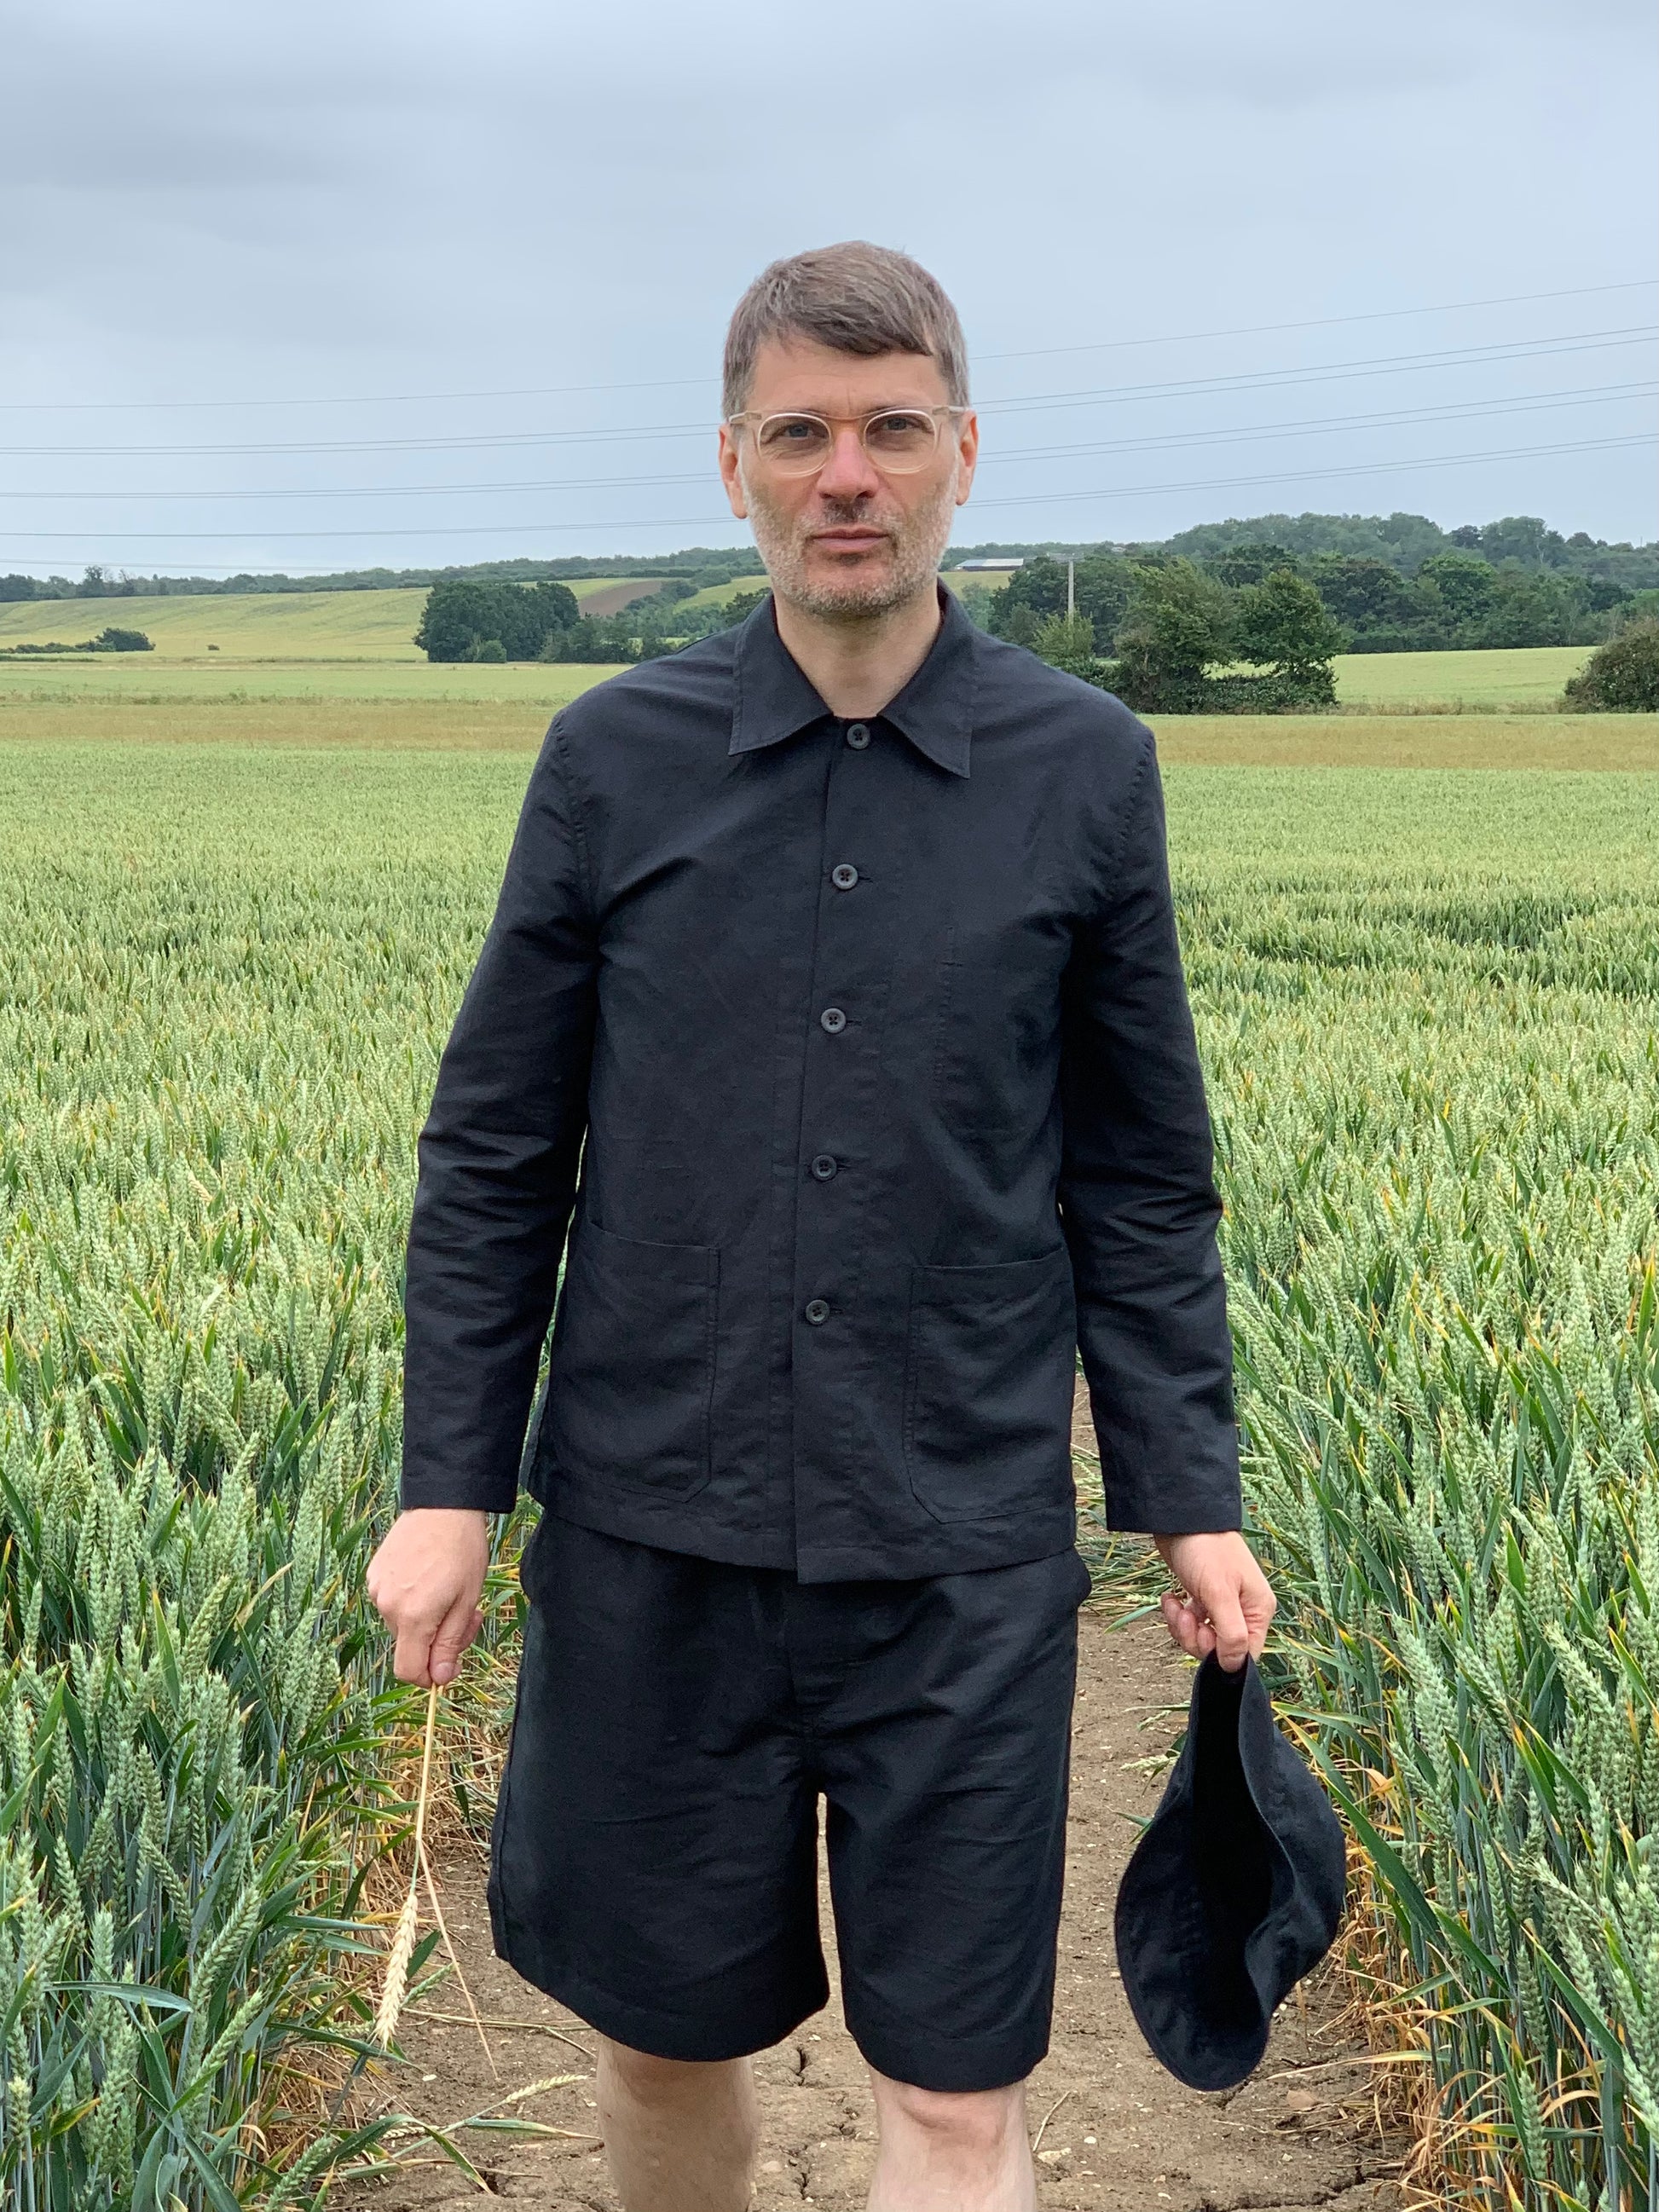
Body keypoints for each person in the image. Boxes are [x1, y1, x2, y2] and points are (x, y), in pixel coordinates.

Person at [367, 240, 1275, 2212]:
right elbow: (499, 1146)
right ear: (733, 469)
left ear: (962, 451)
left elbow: (1136, 1172)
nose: (842, 472)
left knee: (953, 2079)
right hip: (644, 1538)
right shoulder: (611, 762)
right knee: (663, 2035)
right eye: (799, 432)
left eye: (885, 429)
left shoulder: (1086, 769)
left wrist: (1184, 1490)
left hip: (953, 1543)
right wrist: (454, 1482)